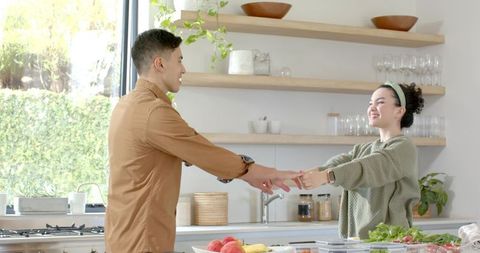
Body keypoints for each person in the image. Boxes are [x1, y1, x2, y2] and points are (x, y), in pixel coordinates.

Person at [105, 29, 302, 253]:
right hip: (144, 239)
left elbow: (194, 152)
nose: (183, 69)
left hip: (123, 236)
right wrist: (263, 172)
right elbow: (205, 153)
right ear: (159, 64)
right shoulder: (153, 112)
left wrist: (247, 174)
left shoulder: (125, 105)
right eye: (179, 60)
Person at [300, 81, 424, 239]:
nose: (372, 108)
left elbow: (369, 167)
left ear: (399, 111)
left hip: (390, 242)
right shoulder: (362, 149)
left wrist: (326, 176)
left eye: (380, 103)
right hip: (357, 242)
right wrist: (306, 174)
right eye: (370, 103)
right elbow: (341, 163)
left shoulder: (404, 147)